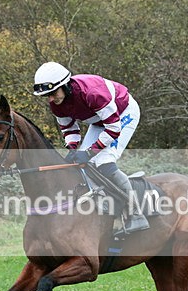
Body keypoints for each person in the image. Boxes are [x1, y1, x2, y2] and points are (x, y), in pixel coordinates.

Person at [33, 61, 149, 233]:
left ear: (65, 85)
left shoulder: (92, 93)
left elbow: (114, 128)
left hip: (123, 113)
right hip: (100, 121)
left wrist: (89, 152)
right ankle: (104, 205)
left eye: (52, 93)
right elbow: (69, 128)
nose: (50, 99)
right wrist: (73, 150)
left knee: (103, 160)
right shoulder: (56, 104)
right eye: (46, 95)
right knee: (82, 163)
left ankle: (136, 214)